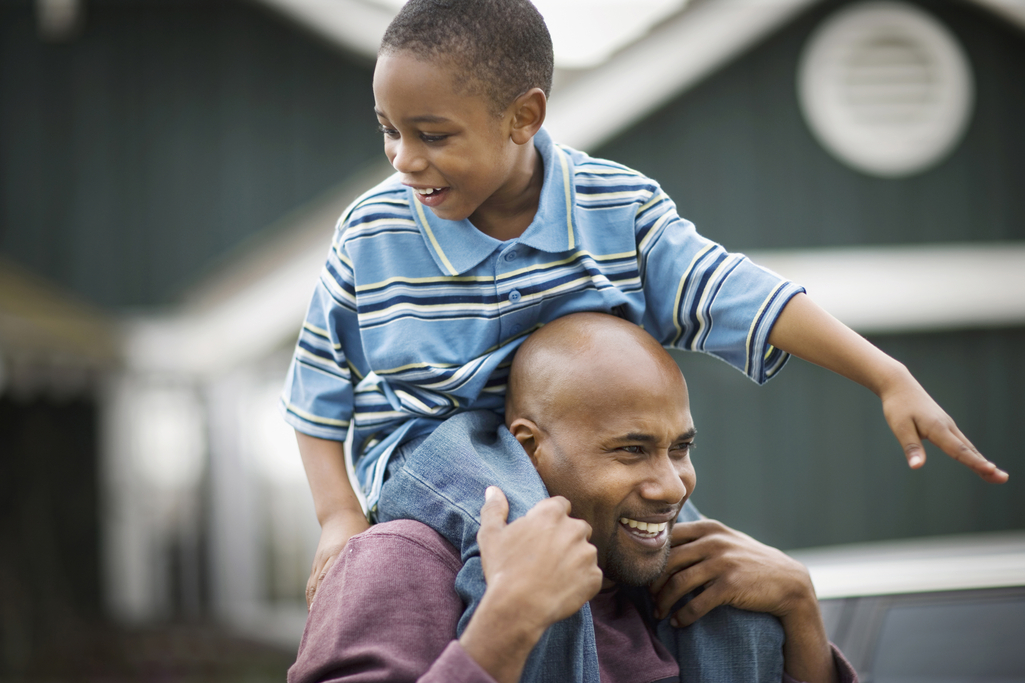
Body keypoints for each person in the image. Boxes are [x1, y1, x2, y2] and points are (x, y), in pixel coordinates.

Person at [280, 0, 1004, 677]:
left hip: (570, 444)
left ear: (522, 117)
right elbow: (318, 379)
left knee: (717, 582)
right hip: (430, 441)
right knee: (534, 543)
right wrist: (338, 513)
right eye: (389, 130)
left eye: (431, 134)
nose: (402, 159)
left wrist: (883, 373)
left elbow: (728, 286)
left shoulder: (613, 207)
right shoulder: (375, 231)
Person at [288, 312, 858, 683]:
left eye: (679, 448)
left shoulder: (689, 588)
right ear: (530, 448)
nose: (671, 486)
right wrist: (509, 619)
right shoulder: (400, 562)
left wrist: (802, 614)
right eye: (631, 451)